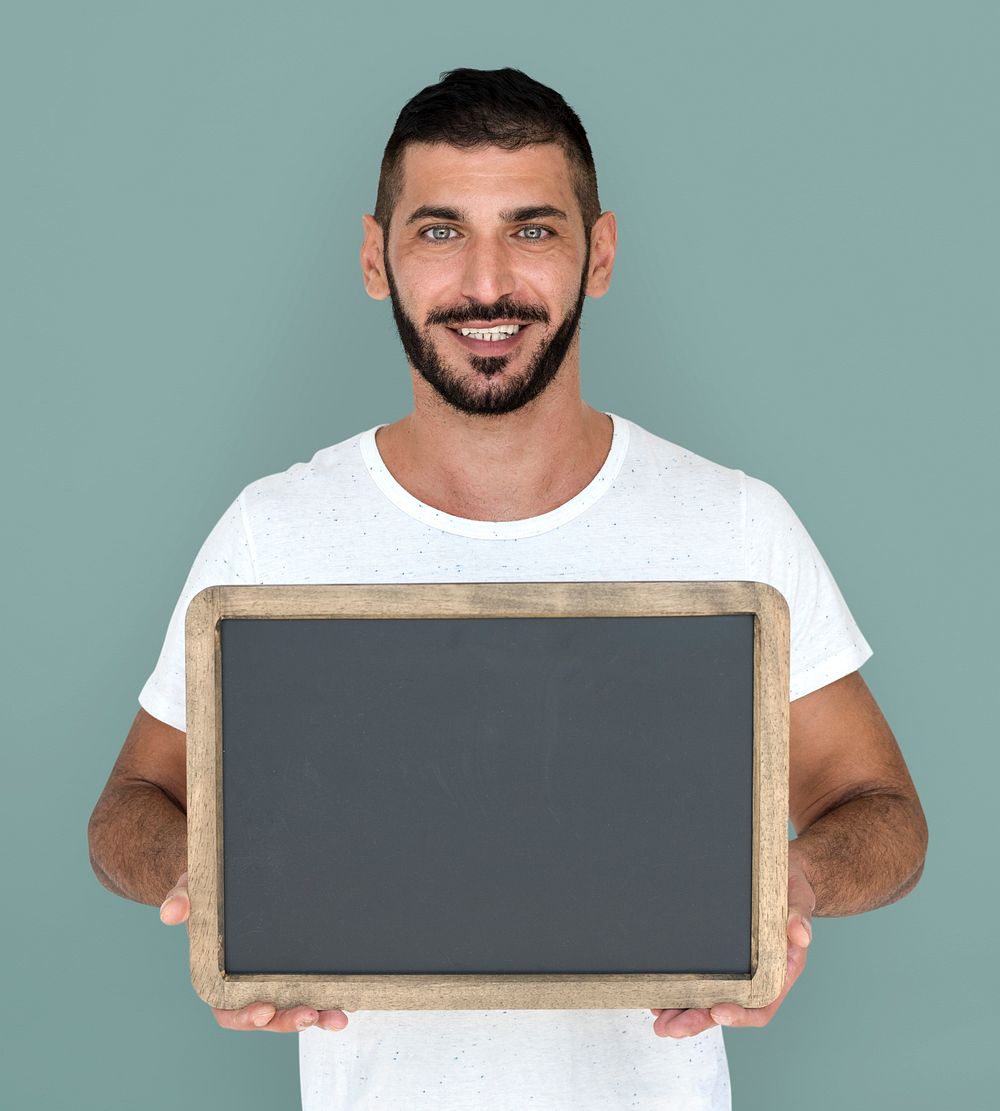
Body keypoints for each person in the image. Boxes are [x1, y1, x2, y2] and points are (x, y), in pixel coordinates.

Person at [88, 67, 928, 1110]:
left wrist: (793, 881)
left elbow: (882, 809)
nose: (486, 284)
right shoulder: (275, 530)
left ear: (601, 254)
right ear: (372, 258)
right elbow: (131, 804)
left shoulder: (734, 521)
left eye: (532, 230)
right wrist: (209, 876)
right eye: (439, 232)